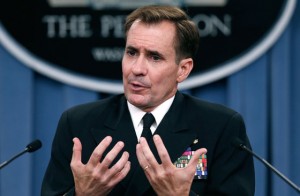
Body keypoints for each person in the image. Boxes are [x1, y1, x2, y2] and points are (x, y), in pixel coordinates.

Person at [41, 5, 255, 196]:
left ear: (183, 70)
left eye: (155, 57)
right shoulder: (78, 123)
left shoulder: (220, 127)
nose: (137, 69)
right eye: (131, 53)